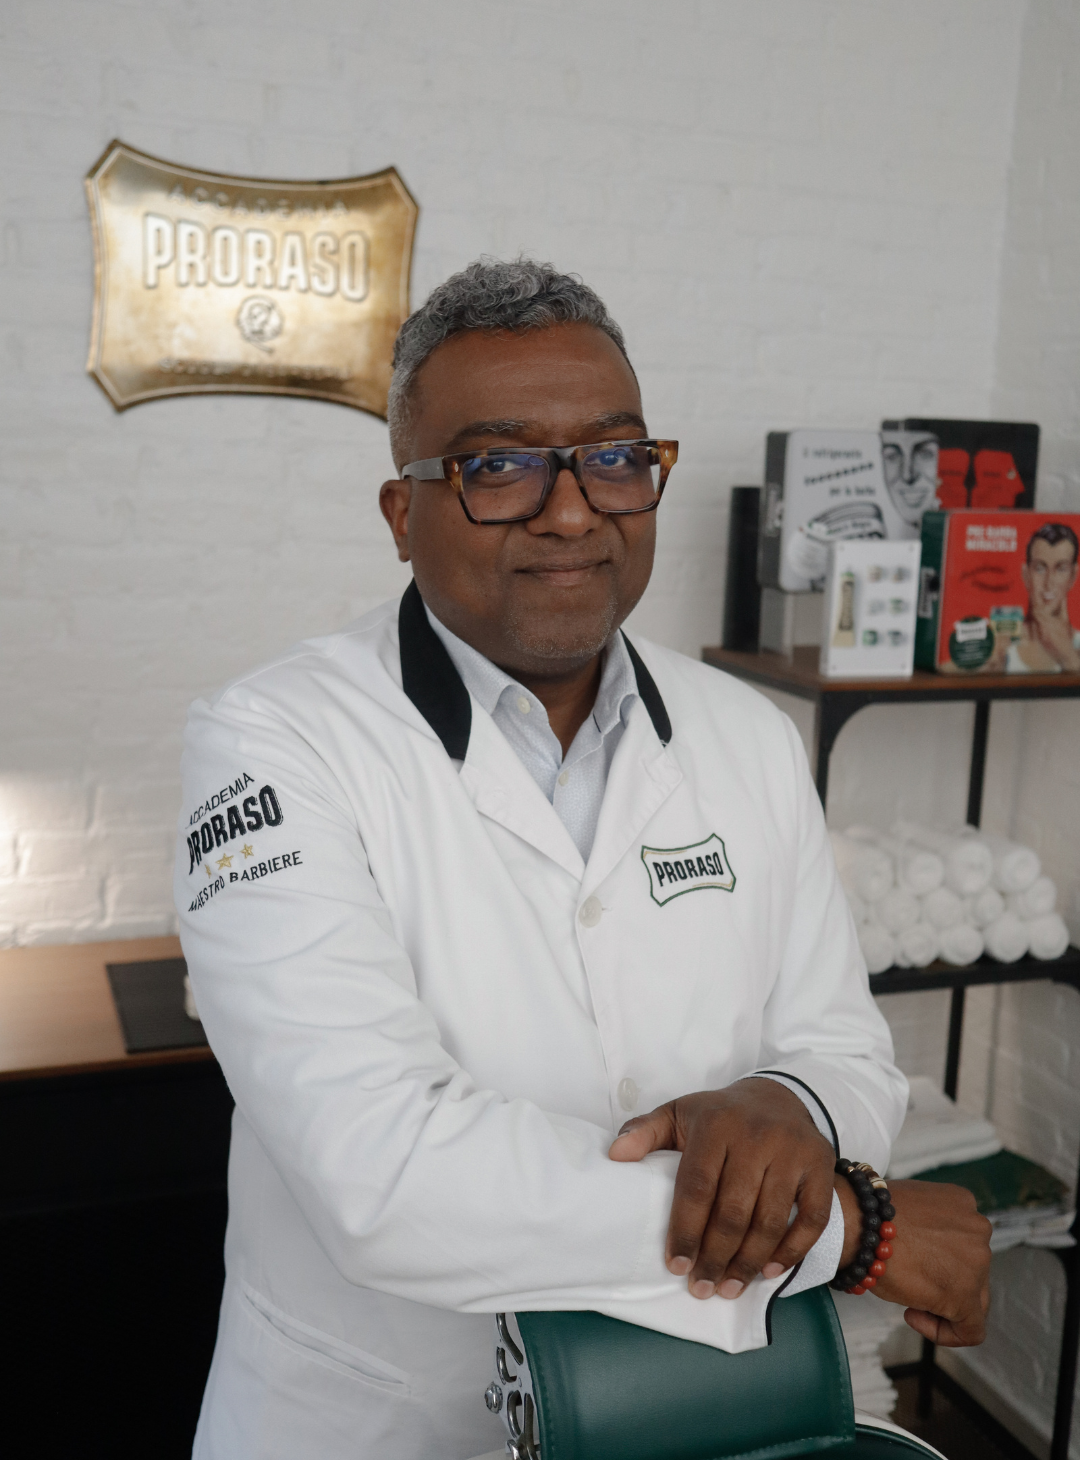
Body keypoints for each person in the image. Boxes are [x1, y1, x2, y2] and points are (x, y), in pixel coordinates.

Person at [176, 260, 991, 1460]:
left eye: (614, 458)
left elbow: (841, 1048)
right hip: (383, 1422)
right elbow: (385, 1173)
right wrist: (854, 1233)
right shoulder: (270, 744)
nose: (571, 512)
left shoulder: (747, 738)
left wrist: (789, 1103)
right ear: (405, 514)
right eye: (498, 466)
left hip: (695, 1413)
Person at [995, 522, 1080, 672]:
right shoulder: (1002, 643)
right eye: (1040, 568)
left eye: (1061, 569)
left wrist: (1068, 657)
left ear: (1073, 576)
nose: (1049, 582)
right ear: (1026, 575)